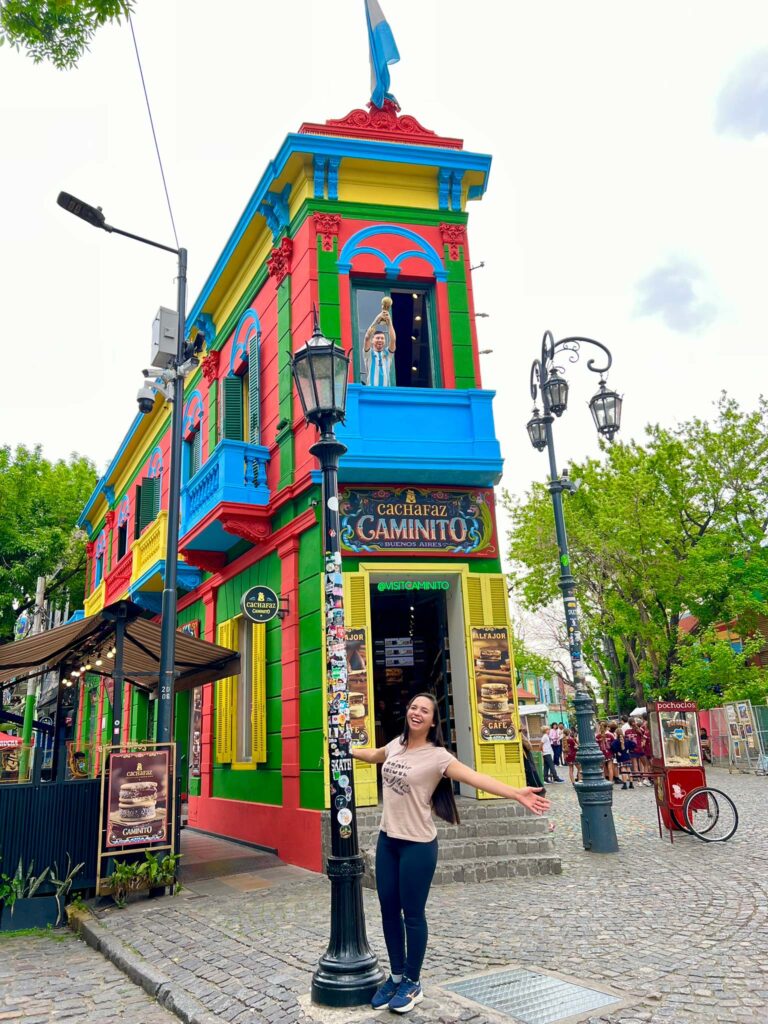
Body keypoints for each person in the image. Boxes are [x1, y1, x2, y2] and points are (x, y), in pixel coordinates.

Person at [351, 693, 550, 1013]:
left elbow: (475, 777)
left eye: (424, 710)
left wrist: (515, 791)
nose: (417, 712)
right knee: (388, 910)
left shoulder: (438, 756)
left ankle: (413, 983)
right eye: (414, 707)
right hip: (387, 841)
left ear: (432, 721)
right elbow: (374, 755)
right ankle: (397, 974)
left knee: (412, 915)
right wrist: (345, 749)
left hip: (418, 846)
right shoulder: (394, 745)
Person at [363, 297, 397, 387]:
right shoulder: (369, 353)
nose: (380, 340)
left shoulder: (387, 353)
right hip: (371, 390)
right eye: (377, 338)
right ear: (372, 340)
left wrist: (389, 322)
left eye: (382, 338)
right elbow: (367, 337)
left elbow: (393, 340)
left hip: (386, 392)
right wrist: (377, 320)